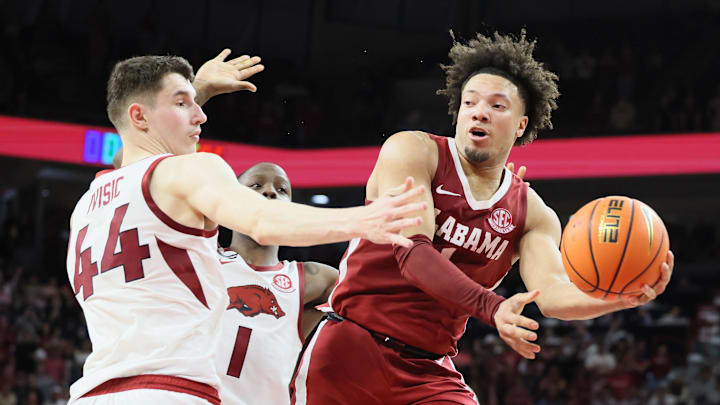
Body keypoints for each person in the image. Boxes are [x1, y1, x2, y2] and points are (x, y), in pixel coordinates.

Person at [291, 30, 674, 404]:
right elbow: (413, 255)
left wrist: (620, 299)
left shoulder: (532, 212)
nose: (479, 112)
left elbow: (553, 295)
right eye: (470, 102)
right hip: (352, 346)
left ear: (521, 125)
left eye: (497, 106)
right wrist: (492, 307)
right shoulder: (413, 151)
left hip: (428, 370)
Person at [66, 50, 426, 405]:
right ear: (140, 116)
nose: (201, 115)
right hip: (169, 390)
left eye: (196, 102)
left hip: (93, 392)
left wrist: (196, 90)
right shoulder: (191, 170)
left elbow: (130, 155)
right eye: (182, 104)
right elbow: (262, 221)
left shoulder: (87, 205)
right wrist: (366, 220)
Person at [215, 162, 339, 405]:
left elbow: (379, 295)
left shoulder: (315, 279)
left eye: (282, 190)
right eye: (256, 185)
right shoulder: (205, 257)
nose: (270, 191)